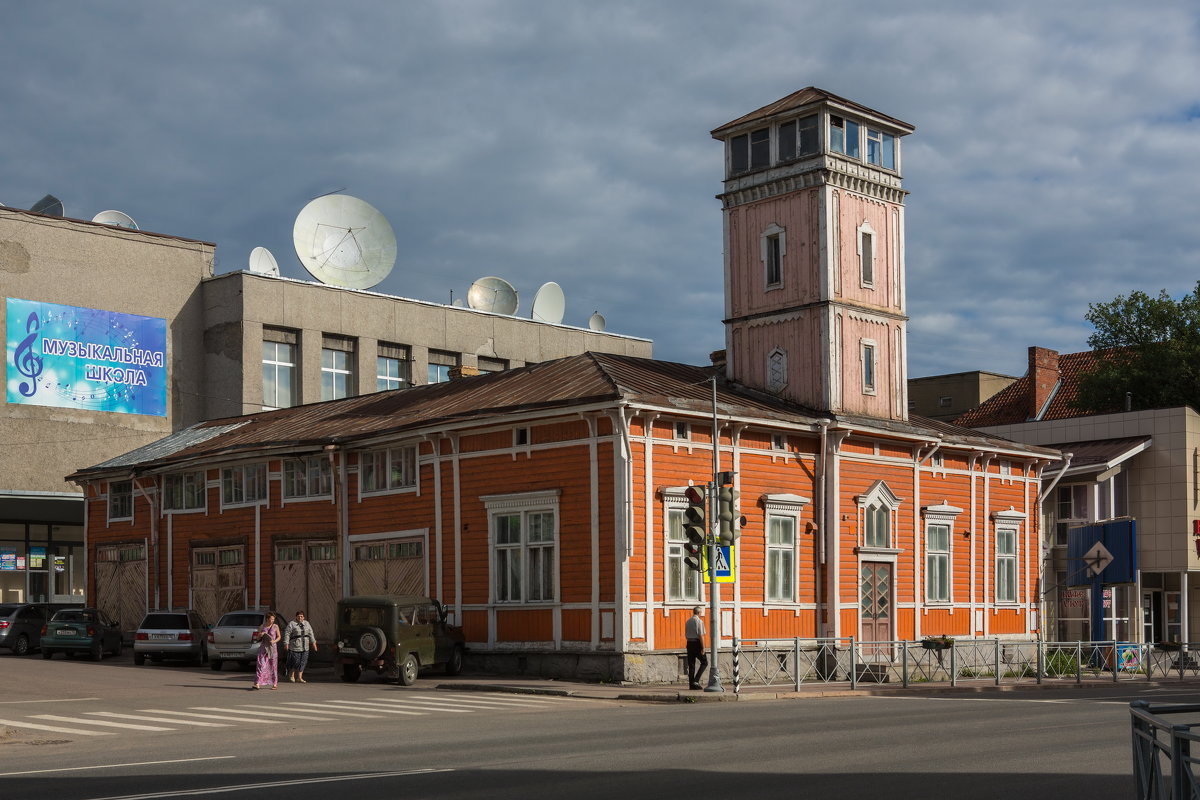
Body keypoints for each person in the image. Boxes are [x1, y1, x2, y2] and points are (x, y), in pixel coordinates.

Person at [284, 610, 318, 683]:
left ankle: (299, 677)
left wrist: (314, 643)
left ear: (304, 617)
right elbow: (287, 634)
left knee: (303, 662)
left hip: (305, 646)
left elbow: (311, 633)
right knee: (295, 661)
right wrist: (286, 643)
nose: (300, 617)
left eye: (301, 616)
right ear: (296, 616)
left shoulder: (307, 623)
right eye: (298, 616)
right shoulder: (292, 624)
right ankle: (292, 675)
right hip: (295, 646)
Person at [252, 611, 281, 690]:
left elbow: (279, 637)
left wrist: (274, 641)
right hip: (263, 647)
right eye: (271, 619)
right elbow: (257, 638)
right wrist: (260, 635)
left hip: (272, 648)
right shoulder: (262, 626)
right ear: (267, 619)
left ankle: (274, 683)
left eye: (273, 619)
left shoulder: (275, 626)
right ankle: (257, 683)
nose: (272, 620)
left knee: (273, 665)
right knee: (260, 664)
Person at [685, 604, 708, 690]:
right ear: (698, 612)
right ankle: (696, 680)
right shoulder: (699, 621)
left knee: (691, 664)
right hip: (696, 643)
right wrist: (703, 647)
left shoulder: (688, 621)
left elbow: (686, 634)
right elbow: (701, 635)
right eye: (701, 612)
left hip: (689, 643)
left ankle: (691, 685)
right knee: (704, 662)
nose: (701, 613)